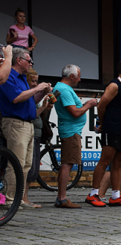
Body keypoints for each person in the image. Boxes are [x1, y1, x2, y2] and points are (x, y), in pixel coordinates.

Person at [0, 48, 50, 205]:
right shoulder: (8, 76)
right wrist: (37, 88)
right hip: (15, 123)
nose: (31, 64)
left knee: (26, 164)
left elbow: (30, 100)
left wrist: (42, 93)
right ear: (18, 60)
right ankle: (10, 199)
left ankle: (18, 198)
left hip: (27, 124)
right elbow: (16, 98)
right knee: (16, 161)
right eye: (29, 61)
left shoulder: (22, 78)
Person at [86, 59, 121, 207]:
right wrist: (103, 123)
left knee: (118, 163)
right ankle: (93, 194)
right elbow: (101, 105)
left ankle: (116, 195)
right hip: (112, 128)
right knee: (105, 160)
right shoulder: (114, 85)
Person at [52, 64, 97, 208]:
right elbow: (75, 112)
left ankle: (62, 197)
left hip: (71, 130)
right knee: (67, 164)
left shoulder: (64, 88)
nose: (80, 79)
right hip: (70, 131)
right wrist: (89, 104)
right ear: (72, 76)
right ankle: (62, 198)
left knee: (68, 163)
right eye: (78, 75)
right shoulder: (64, 89)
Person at [22, 67, 50, 209]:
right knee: (28, 167)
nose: (35, 84)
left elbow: (35, 113)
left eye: (36, 81)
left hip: (36, 134)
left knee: (32, 168)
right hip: (28, 133)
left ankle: (25, 197)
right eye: (33, 81)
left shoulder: (34, 97)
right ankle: (22, 197)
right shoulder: (27, 95)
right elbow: (30, 115)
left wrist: (44, 107)